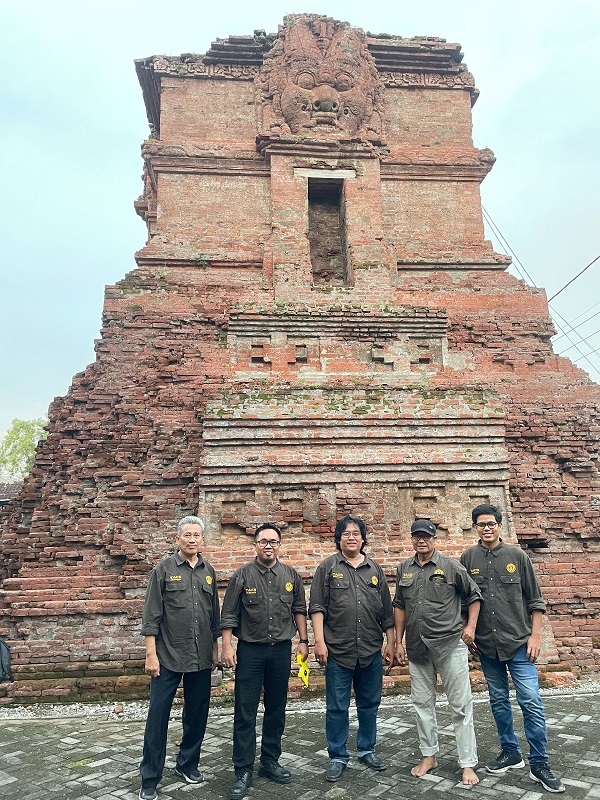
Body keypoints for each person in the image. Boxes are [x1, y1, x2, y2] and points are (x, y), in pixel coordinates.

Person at [460, 504, 565, 793]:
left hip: (519, 644)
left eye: (491, 523)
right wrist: (466, 629)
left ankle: (540, 763)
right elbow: (462, 599)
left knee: (530, 700)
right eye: (481, 524)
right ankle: (510, 752)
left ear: (500, 525)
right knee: (498, 701)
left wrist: (536, 637)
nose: (487, 528)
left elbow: (536, 600)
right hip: (487, 646)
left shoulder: (517, 556)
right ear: (475, 527)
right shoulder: (468, 558)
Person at [221, 523, 308, 800]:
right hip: (251, 652)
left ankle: (270, 762)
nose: (268, 546)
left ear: (279, 546)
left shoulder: (291, 575)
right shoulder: (242, 576)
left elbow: (299, 610)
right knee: (245, 711)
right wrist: (227, 646)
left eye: (273, 541)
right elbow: (229, 614)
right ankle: (243, 769)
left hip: (281, 651)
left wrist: (304, 642)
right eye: (263, 541)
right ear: (255, 545)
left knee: (276, 709)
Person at [394, 519, 481, 785]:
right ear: (412, 539)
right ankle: (429, 756)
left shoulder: (452, 567)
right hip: (418, 648)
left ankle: (467, 763)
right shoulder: (404, 569)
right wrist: (397, 641)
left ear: (434, 538)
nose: (421, 540)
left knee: (461, 707)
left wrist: (471, 628)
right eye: (416, 536)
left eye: (426, 536)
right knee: (422, 705)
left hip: (450, 644)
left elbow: (474, 596)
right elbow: (399, 605)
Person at [138, 516, 220, 800]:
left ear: (202, 539)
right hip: (167, 657)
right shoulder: (163, 570)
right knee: (157, 718)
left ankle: (187, 764)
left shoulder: (209, 571)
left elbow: (214, 617)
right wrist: (151, 655)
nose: (192, 539)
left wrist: (215, 650)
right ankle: (149, 778)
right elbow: (151, 616)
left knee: (197, 715)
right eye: (187, 534)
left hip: (200, 658)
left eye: (197, 535)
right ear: (178, 539)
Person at [309, 515, 395, 782]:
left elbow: (387, 613)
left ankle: (367, 749)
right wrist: (319, 642)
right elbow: (317, 607)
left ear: (363, 538)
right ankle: (337, 755)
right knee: (337, 706)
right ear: (338, 539)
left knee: (370, 703)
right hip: (338, 650)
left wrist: (391, 642)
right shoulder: (327, 567)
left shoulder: (375, 570)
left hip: (370, 649)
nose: (351, 537)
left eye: (356, 533)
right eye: (346, 533)